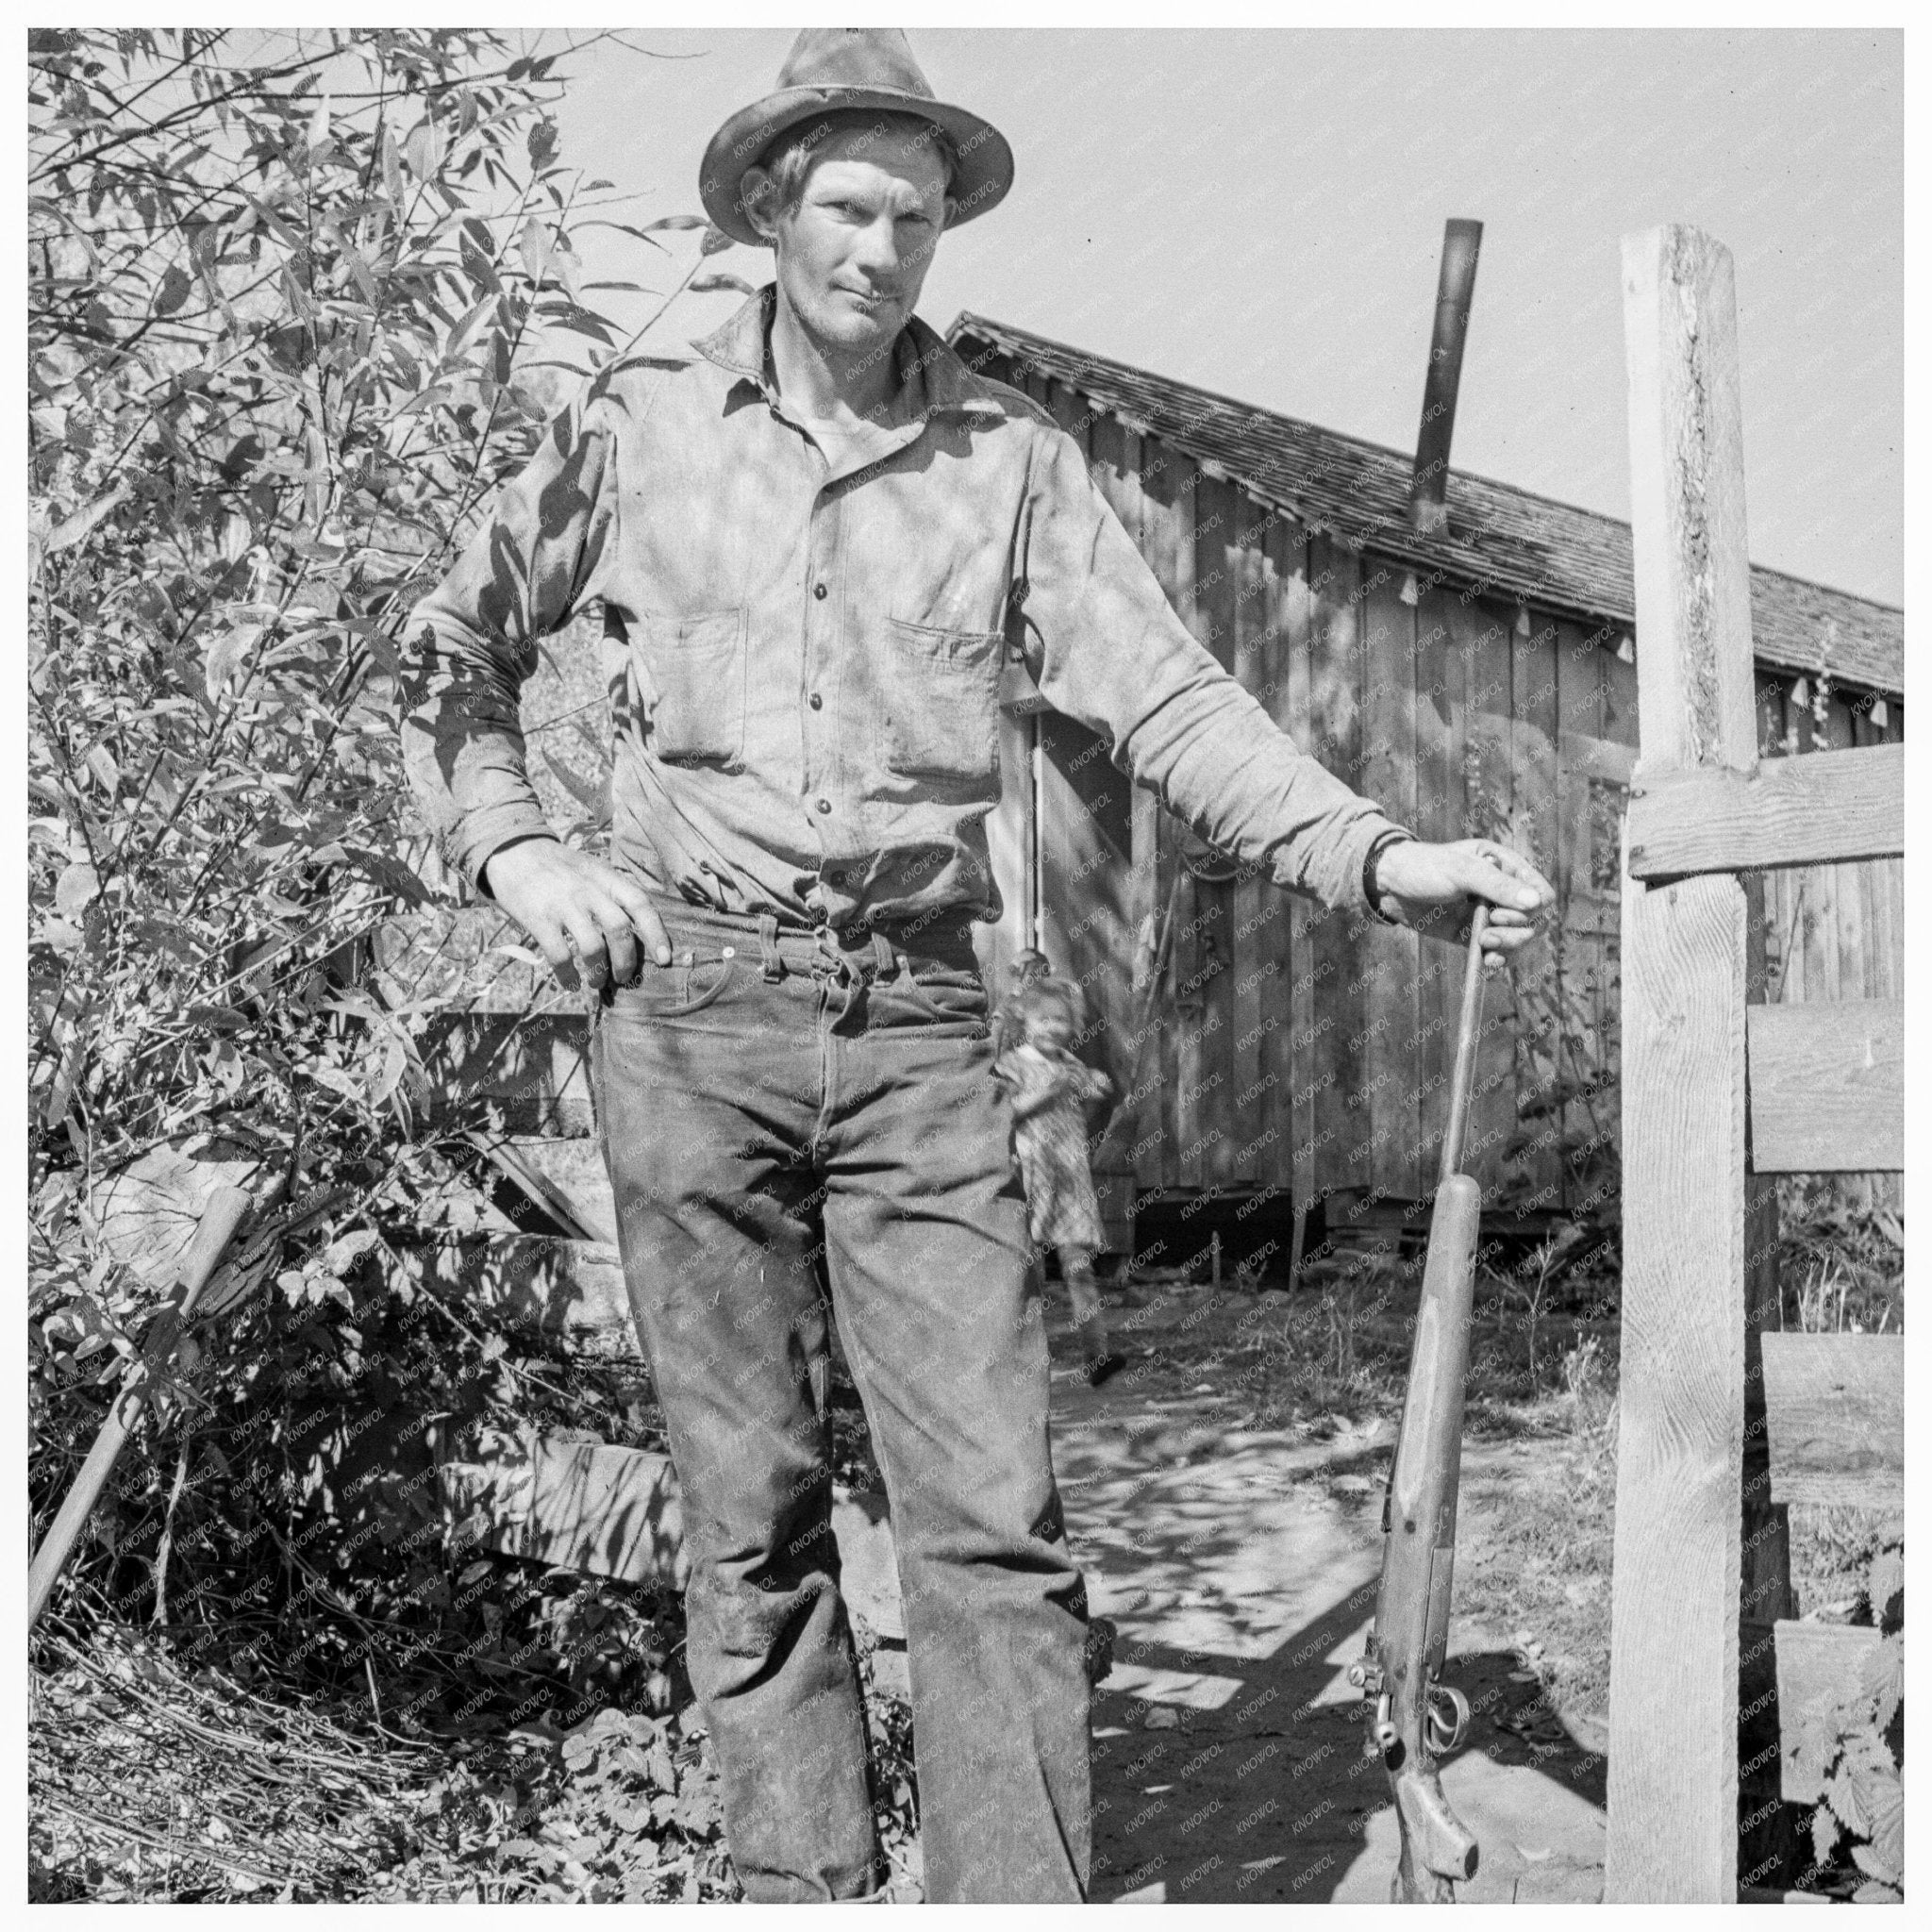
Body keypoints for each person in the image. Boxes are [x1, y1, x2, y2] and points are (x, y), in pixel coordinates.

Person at [400, 28, 1554, 1903]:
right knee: (748, 1510)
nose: (879, 249)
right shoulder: (635, 428)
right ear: (772, 209)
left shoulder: (1013, 463)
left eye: (913, 218)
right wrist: (521, 849)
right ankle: (802, 1886)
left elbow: (1169, 700)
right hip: (688, 1021)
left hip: (928, 1031)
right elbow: (446, 644)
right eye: (847, 206)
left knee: (992, 1516)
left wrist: (1374, 851)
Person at [992, 970, 1125, 1386]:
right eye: (1043, 1019)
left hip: (1069, 1176)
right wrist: (1051, 1090)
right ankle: (1024, 1359)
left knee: (1079, 1266)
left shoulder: (1073, 1066)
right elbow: (1005, 1113)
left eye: (1061, 1020)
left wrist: (1097, 1097)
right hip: (1030, 1176)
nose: (1053, 1028)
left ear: (1073, 1027)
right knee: (1029, 1271)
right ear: (1025, 1023)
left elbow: (1084, 1121)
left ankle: (1097, 1355)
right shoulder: (1013, 1064)